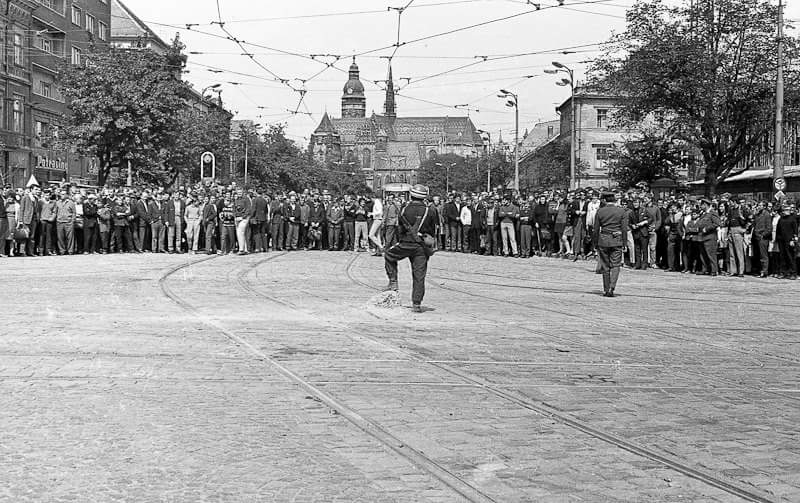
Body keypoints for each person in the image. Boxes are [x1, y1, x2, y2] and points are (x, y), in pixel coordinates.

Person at [384, 184, 438, 313]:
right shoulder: (430, 210)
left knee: (389, 255)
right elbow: (433, 229)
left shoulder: (405, 209)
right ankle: (416, 303)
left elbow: (400, 228)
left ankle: (393, 281)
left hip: (406, 243)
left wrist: (402, 240)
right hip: (421, 246)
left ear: (411, 195)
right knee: (419, 275)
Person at [593, 192, 629, 297]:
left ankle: (606, 289)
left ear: (605, 200)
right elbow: (624, 229)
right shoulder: (621, 211)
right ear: (615, 200)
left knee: (605, 265)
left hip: (603, 240)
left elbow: (596, 229)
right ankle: (612, 287)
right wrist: (624, 242)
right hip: (617, 240)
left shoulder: (600, 211)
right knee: (616, 265)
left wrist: (595, 243)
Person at [696, 198, 721, 276]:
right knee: (703, 255)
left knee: (711, 254)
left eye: (701, 205)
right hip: (702, 237)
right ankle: (705, 269)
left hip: (710, 237)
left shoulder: (712, 213)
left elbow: (717, 223)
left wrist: (707, 229)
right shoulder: (703, 214)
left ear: (705, 205)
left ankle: (714, 270)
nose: (700, 207)